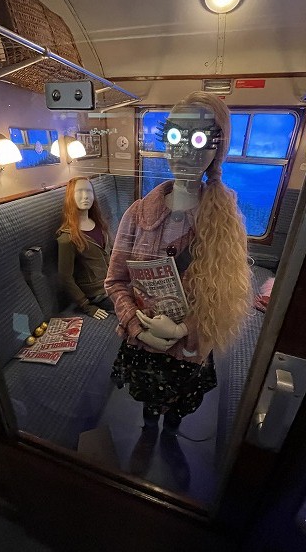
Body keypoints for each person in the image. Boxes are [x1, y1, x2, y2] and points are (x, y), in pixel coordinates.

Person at [105, 91, 252, 434]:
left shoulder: (225, 222)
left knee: (179, 408)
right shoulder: (137, 214)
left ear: (216, 148)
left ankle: (171, 428)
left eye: (198, 139)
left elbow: (227, 297)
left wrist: (184, 330)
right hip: (144, 342)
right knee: (148, 407)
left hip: (188, 349)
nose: (184, 150)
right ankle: (149, 429)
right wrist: (136, 324)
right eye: (175, 136)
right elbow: (115, 281)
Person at [57, 176, 114, 320]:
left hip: (114, 284)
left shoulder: (100, 225)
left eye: (89, 191)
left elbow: (112, 253)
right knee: (133, 309)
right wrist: (86, 306)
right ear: (71, 197)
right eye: (80, 192)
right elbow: (65, 277)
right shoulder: (67, 238)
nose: (85, 196)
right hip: (98, 294)